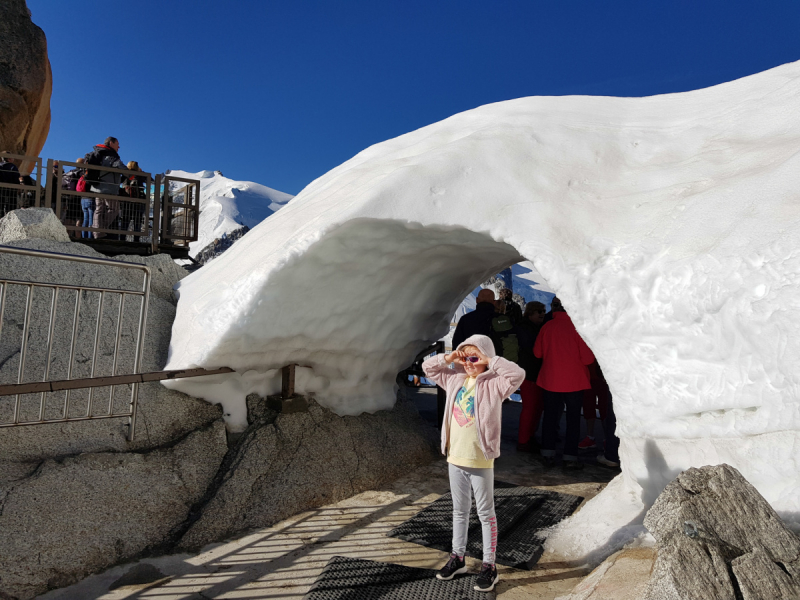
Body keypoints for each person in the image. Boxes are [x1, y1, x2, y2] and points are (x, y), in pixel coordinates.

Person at [423, 334, 525, 592]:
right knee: (459, 511)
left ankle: (489, 565)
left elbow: (518, 375)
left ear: (484, 358)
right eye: (464, 356)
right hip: (455, 456)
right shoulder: (455, 378)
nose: (468, 363)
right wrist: (450, 358)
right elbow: (427, 368)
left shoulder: (495, 384)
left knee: (485, 513)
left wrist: (490, 360)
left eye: (473, 358)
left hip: (480, 458)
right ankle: (457, 557)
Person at [534, 301, 595, 470]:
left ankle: (547, 453)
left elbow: (537, 353)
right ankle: (570, 457)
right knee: (573, 419)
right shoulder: (578, 329)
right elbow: (588, 359)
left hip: (550, 380)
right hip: (574, 382)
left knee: (550, 417)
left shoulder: (547, 326)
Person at [516, 301, 545, 452]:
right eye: (539, 311)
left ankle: (529, 437)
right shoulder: (525, 328)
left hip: (535, 372)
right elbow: (531, 348)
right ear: (530, 312)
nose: (542, 314)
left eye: (543, 311)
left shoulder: (535, 327)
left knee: (537, 407)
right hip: (528, 372)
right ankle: (523, 441)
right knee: (530, 407)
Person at [85, 137, 125, 239]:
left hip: (97, 186)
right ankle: (99, 228)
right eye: (117, 144)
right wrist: (132, 175)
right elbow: (119, 165)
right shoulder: (110, 154)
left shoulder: (98, 152)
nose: (119, 146)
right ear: (111, 143)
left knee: (99, 209)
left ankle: (98, 233)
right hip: (109, 187)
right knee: (114, 209)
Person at [452, 289, 501, 353]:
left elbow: (456, 345)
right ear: (494, 302)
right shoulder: (504, 320)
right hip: (498, 361)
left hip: (472, 360)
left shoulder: (465, 319)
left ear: (477, 300)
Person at [578, 361, 610, 450]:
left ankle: (608, 439)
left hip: (604, 378)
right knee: (588, 406)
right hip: (588, 376)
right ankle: (590, 437)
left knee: (605, 408)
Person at [121, 161, 147, 242]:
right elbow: (151, 180)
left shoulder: (125, 175)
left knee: (125, 221)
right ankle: (136, 240)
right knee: (137, 222)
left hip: (126, 202)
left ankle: (122, 239)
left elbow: (119, 181)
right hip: (138, 203)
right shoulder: (140, 176)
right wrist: (141, 172)